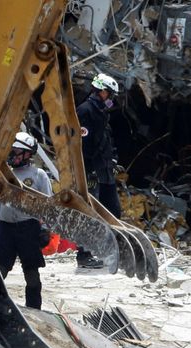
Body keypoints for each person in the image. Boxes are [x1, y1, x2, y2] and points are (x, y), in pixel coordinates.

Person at [0, 132, 52, 309]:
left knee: (31, 272)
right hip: (6, 229)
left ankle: (34, 309)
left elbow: (48, 203)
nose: (12, 155)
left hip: (28, 228)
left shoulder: (38, 175)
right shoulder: (4, 174)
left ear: (27, 154)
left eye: (16, 151)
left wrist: (46, 229)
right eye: (11, 151)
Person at [75, 73, 121, 269]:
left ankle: (108, 251)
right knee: (90, 213)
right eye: (109, 94)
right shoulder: (85, 110)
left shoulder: (101, 111)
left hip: (105, 170)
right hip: (92, 170)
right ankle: (84, 255)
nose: (111, 99)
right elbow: (83, 144)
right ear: (101, 91)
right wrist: (88, 171)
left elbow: (103, 140)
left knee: (113, 210)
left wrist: (112, 160)